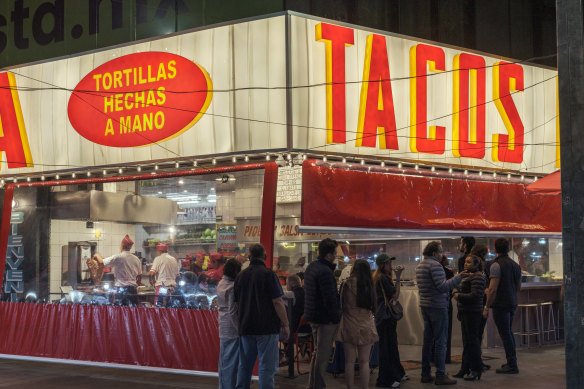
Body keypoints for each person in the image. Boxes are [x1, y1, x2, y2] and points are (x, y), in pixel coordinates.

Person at [234, 244, 290, 389]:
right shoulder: (268, 274)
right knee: (267, 367)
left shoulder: (240, 276)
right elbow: (277, 301)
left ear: (249, 257)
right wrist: (285, 323)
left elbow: (236, 304)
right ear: (264, 256)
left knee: (244, 365)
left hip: (246, 327)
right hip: (267, 328)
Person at [416, 241, 466, 385]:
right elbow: (443, 287)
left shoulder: (421, 265)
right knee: (440, 342)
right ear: (434, 253)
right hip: (438, 306)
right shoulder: (435, 265)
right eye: (440, 251)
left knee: (427, 341)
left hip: (425, 306)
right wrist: (459, 277)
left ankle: (425, 373)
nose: (442, 254)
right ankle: (440, 374)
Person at [304, 238, 341, 389]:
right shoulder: (326, 272)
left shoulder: (312, 267)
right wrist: (336, 318)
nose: (336, 256)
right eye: (335, 253)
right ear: (329, 255)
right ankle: (318, 386)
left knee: (317, 353)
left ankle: (312, 385)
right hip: (325, 319)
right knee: (323, 356)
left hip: (313, 316)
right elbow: (330, 299)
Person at [336, 259, 378, 389]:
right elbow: (374, 307)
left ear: (354, 269)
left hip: (349, 324)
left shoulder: (345, 284)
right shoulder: (369, 285)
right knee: (364, 362)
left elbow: (340, 305)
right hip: (366, 324)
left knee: (349, 361)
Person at [484, 238, 522, 374]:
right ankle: (512, 362)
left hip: (501, 304)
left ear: (495, 249)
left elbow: (493, 289)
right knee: (508, 333)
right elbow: (519, 287)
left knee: (505, 334)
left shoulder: (496, 265)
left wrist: (487, 307)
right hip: (512, 302)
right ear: (508, 249)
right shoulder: (515, 265)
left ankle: (512, 365)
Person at [373, 254, 407, 388]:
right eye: (388, 263)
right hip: (386, 317)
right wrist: (398, 277)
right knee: (387, 348)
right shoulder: (383, 278)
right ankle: (385, 380)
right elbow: (395, 295)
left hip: (382, 316)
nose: (391, 266)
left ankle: (397, 373)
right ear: (383, 265)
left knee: (390, 346)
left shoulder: (377, 277)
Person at [452, 254, 486, 381]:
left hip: (473, 312)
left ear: (476, 264)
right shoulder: (465, 275)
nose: (466, 264)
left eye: (469, 262)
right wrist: (456, 291)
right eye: (466, 262)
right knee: (467, 342)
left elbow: (475, 295)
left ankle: (477, 369)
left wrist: (458, 296)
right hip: (465, 311)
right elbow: (456, 285)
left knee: (473, 342)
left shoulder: (478, 277)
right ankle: (464, 368)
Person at [93, 234, 142, 306]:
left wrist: (97, 255)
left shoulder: (118, 257)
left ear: (122, 246)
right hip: (133, 290)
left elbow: (101, 262)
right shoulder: (136, 259)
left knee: (119, 312)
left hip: (121, 290)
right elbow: (139, 276)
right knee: (133, 312)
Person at [217, 258, 243, 389]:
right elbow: (233, 311)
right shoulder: (232, 287)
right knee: (232, 362)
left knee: (224, 360)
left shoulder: (221, 283)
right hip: (232, 329)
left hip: (223, 325)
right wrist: (239, 329)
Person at [469, 244, 491, 372]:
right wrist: (486, 306)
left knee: (475, 335)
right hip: (479, 304)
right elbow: (486, 288)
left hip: (476, 304)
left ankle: (477, 362)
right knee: (477, 334)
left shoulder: (477, 268)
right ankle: (477, 363)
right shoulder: (482, 268)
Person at [149, 242, 180, 306]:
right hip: (173, 288)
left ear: (159, 251)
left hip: (162, 287)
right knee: (171, 308)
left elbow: (152, 274)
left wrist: (153, 283)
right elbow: (178, 276)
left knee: (159, 308)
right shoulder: (173, 259)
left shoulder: (158, 258)